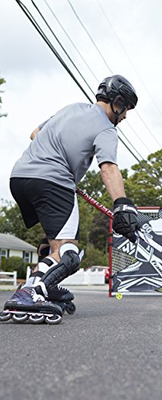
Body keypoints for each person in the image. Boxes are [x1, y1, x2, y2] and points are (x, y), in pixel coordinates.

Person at [0, 75, 141, 324]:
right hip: (53, 182)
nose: (126, 116)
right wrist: (122, 205)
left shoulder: (72, 108)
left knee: (51, 245)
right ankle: (30, 293)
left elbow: (35, 134)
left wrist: (57, 157)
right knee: (68, 251)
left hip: (20, 177)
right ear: (118, 102)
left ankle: (42, 285)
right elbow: (108, 168)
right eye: (127, 109)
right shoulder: (107, 129)